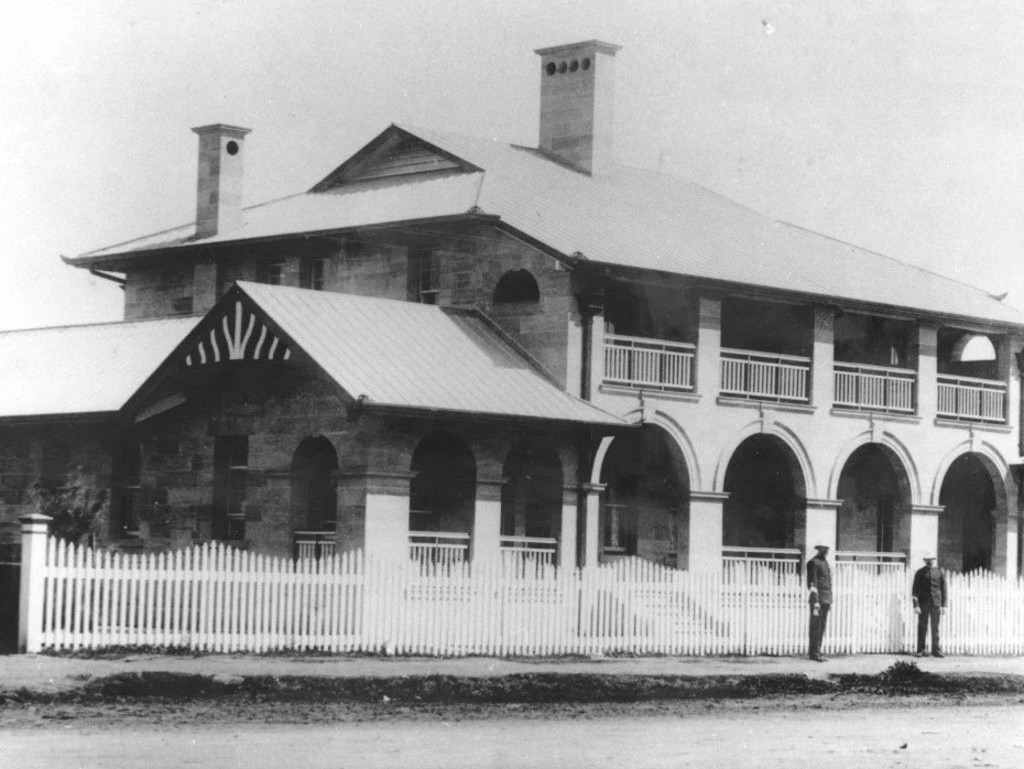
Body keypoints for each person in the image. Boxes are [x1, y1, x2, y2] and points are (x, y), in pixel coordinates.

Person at [912, 553, 947, 657]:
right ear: (924, 560)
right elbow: (914, 591)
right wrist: (916, 605)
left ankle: (936, 650)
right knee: (922, 627)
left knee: (935, 627)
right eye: (927, 559)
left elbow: (944, 590)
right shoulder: (920, 573)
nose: (929, 561)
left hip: (936, 603)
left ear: (934, 559)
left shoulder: (940, 572)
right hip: (923, 604)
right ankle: (921, 650)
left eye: (931, 559)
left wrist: (944, 605)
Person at [806, 543, 832, 662]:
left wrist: (829, 600)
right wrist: (816, 601)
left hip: (826, 599)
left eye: (827, 550)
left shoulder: (825, 563)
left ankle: (818, 651)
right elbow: (813, 584)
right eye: (824, 550)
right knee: (816, 626)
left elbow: (828, 583)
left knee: (822, 627)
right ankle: (814, 653)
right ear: (819, 550)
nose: (826, 552)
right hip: (818, 600)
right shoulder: (813, 563)